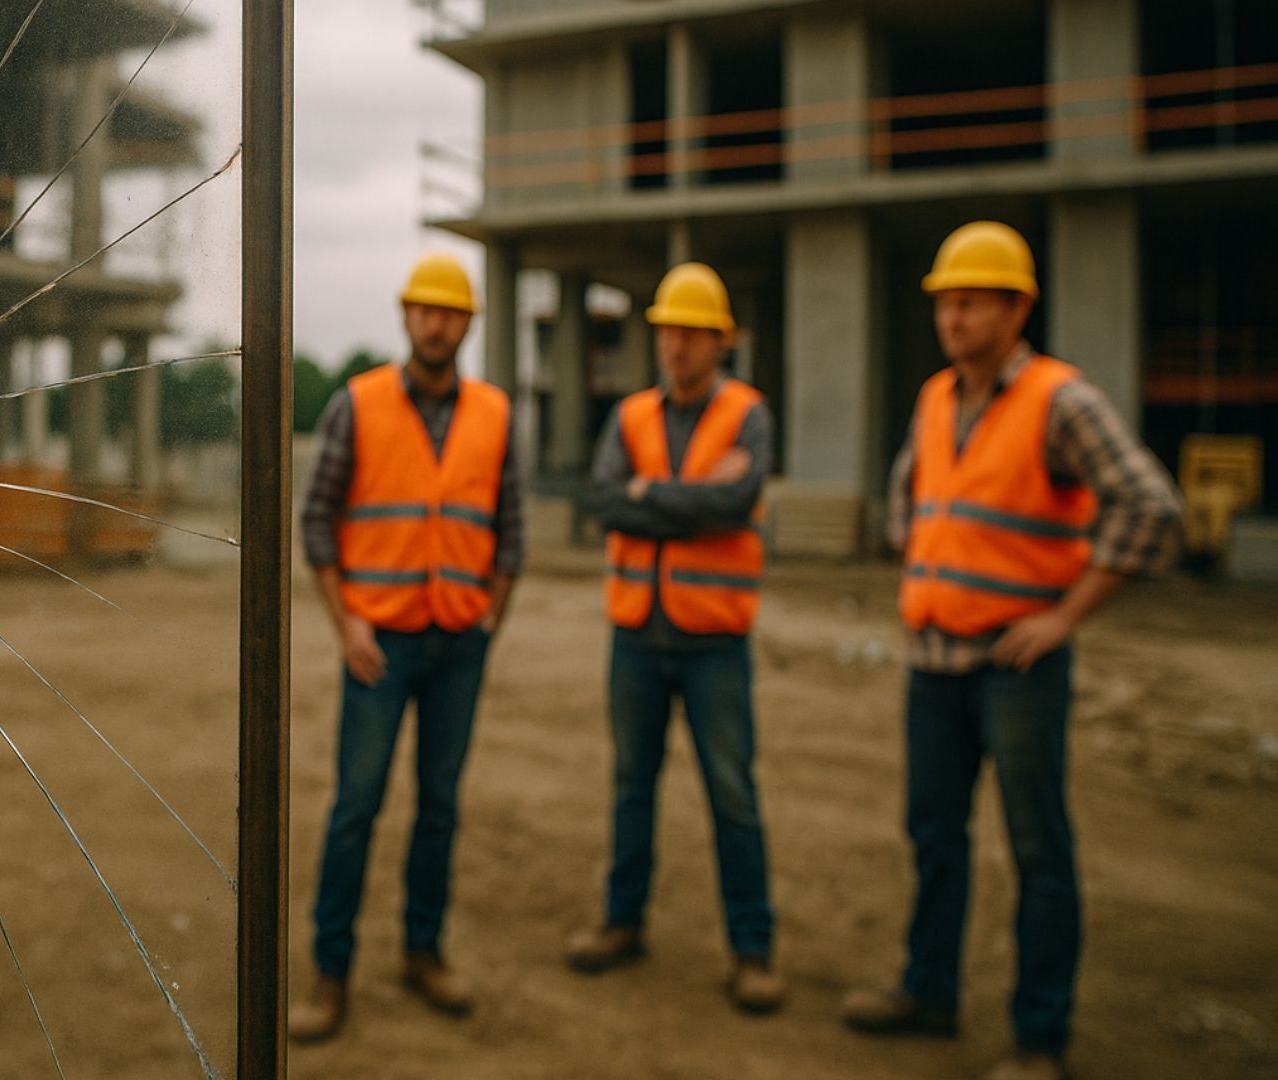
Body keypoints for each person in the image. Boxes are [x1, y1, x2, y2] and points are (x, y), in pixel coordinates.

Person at [841, 221, 1183, 1080]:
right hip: (934, 663)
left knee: (1037, 850)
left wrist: (1065, 616)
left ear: (1017, 307)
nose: (952, 320)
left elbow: (1153, 511)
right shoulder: (934, 400)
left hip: (1016, 668)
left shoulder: (1061, 403)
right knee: (934, 835)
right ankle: (928, 991)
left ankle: (1039, 1039)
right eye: (944, 305)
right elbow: (908, 499)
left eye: (969, 303)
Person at [287, 252, 522, 1043]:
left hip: (459, 643)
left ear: (467, 323)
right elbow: (315, 521)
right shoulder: (357, 406)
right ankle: (331, 972)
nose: (436, 321)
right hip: (378, 645)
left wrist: (490, 620)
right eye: (424, 309)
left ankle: (424, 953)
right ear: (405, 316)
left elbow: (510, 535)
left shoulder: (495, 415)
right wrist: (346, 622)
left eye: (450, 311)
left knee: (440, 809)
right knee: (356, 807)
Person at [565, 262, 786, 1014]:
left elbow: (736, 501)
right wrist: (680, 501)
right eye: (668, 332)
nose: (678, 346)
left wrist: (647, 493)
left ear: (721, 341)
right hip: (635, 635)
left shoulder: (749, 414)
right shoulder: (628, 417)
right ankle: (622, 923)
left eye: (693, 333)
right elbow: (604, 502)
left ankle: (752, 952)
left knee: (733, 796)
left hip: (714, 643)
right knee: (632, 787)